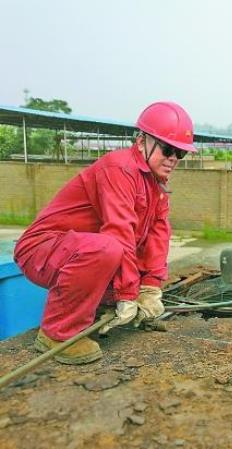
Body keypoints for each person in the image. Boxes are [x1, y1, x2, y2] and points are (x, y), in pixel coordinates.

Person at [13, 101, 197, 364]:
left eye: (180, 154)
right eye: (168, 149)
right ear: (142, 140)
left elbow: (157, 238)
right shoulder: (119, 169)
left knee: (119, 253)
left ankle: (96, 308)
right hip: (41, 249)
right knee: (110, 248)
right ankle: (56, 334)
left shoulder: (157, 187)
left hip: (79, 252)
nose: (173, 159)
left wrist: (150, 287)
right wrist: (126, 293)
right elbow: (119, 233)